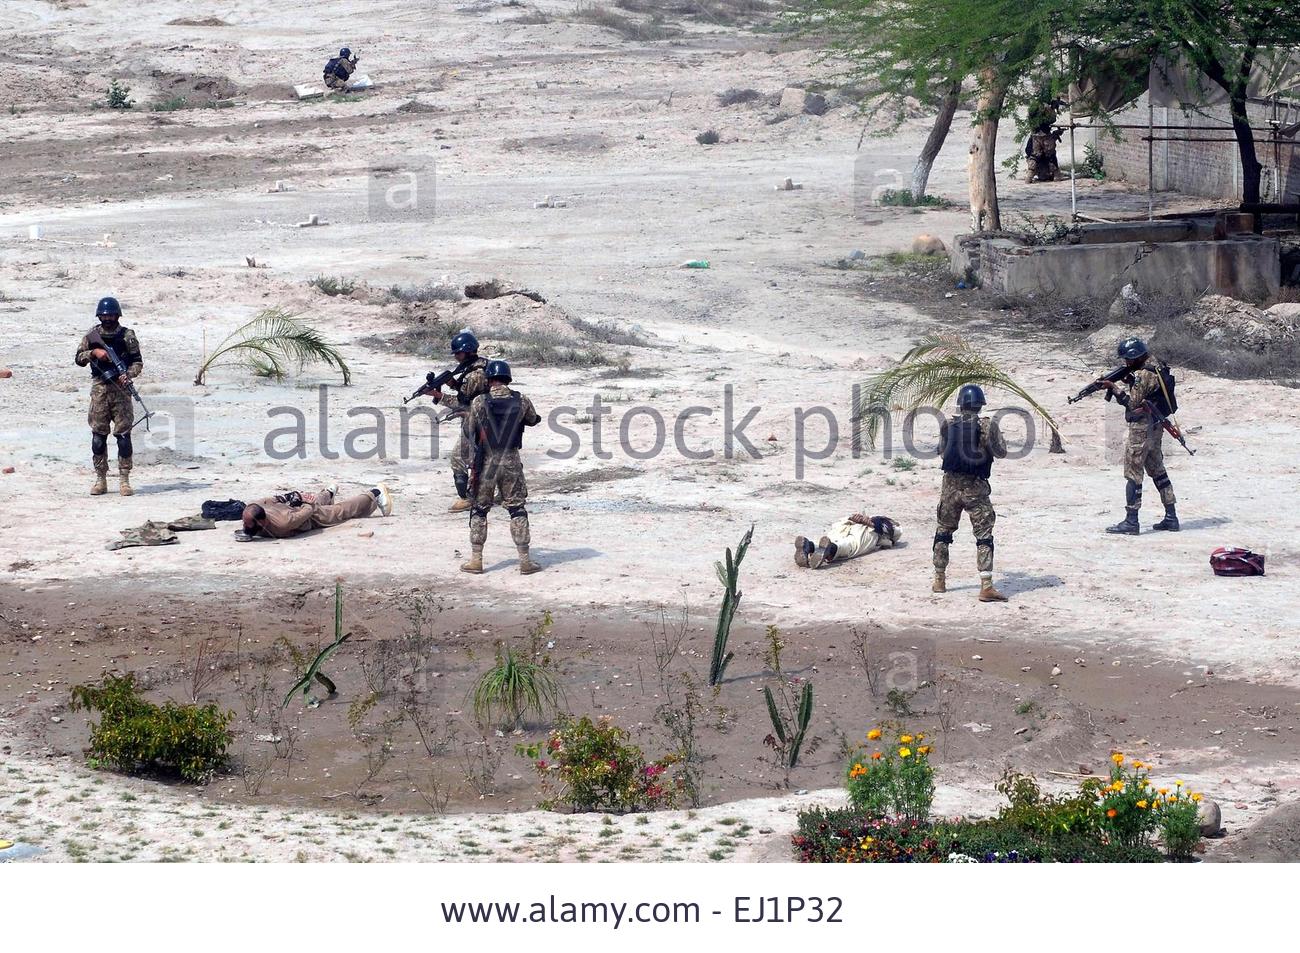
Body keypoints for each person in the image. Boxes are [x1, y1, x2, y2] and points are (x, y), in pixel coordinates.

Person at [460, 360, 542, 575]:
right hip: (511, 461)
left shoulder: (479, 401)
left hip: (486, 461)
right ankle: (525, 561)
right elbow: (533, 419)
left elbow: (470, 431)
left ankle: (476, 560)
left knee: (479, 510)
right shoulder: (521, 400)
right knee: (517, 508)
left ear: (489, 380)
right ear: (508, 378)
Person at [932, 384, 1009, 602]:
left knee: (943, 532)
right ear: (980, 405)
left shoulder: (948, 425)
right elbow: (1001, 452)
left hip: (950, 486)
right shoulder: (986, 425)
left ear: (961, 403)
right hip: (975, 487)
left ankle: (939, 580)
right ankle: (986, 585)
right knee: (984, 535)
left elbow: (941, 452)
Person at [1099, 337, 1180, 535]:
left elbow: (1132, 404)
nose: (1125, 362)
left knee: (1133, 473)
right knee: (1158, 470)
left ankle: (1131, 521)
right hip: (1156, 426)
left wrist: (1114, 388)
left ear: (1135, 357)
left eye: (1128, 358)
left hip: (1141, 428)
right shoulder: (1156, 370)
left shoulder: (1143, 375)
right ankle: (1171, 517)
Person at [74, 296, 143, 497]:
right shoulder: (91, 336)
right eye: (104, 315)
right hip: (100, 390)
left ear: (117, 315)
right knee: (98, 437)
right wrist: (94, 353)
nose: (108, 318)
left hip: (121, 391)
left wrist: (128, 374)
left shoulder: (127, 335)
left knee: (123, 436)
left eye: (111, 314)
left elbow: (137, 362)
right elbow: (78, 358)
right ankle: (100, 479)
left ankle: (124, 479)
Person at [433, 330, 489, 513]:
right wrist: (454, 384)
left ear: (468, 351)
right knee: (483, 459)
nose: (456, 357)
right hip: (482, 420)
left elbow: (463, 401)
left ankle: (467, 498)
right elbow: (468, 392)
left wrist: (438, 396)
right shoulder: (474, 369)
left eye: (458, 353)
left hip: (477, 421)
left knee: (459, 458)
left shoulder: (475, 373)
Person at [237, 484, 392, 540]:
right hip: (291, 509)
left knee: (341, 511)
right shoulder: (252, 507)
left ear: (262, 522)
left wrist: (305, 500)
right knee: (318, 501)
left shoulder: (284, 523)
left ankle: (375, 493)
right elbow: (272, 499)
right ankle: (329, 492)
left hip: (309, 516)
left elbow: (308, 510)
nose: (244, 525)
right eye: (245, 522)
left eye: (248, 524)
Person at [794, 515, 902, 569]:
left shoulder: (887, 524)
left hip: (849, 525)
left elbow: (891, 533)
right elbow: (892, 532)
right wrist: (867, 522)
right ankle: (829, 549)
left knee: (834, 539)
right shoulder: (884, 521)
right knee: (850, 545)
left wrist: (856, 519)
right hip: (865, 530)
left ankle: (809, 546)